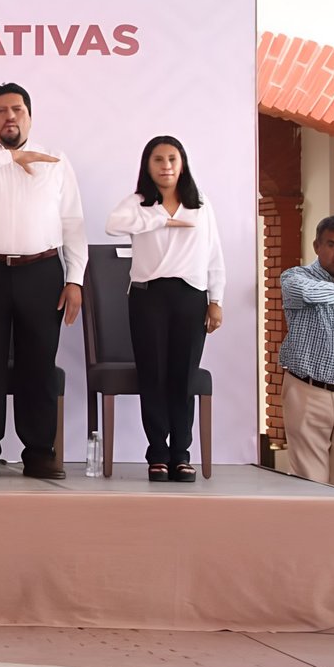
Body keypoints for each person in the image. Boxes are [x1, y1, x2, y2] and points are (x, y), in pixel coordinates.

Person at [0, 82, 86, 480]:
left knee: (38, 364)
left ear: (29, 115)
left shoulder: (56, 160)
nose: (10, 116)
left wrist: (74, 278)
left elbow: (73, 222)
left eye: (18, 109)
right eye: (1, 111)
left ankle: (40, 452)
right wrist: (13, 158)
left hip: (42, 272)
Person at [104, 136, 225, 483]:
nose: (166, 165)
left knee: (183, 375)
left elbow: (214, 255)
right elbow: (112, 225)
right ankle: (157, 452)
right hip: (147, 297)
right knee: (153, 373)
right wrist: (160, 222)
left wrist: (216, 300)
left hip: (190, 296)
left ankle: (181, 454)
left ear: (182, 163)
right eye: (158, 159)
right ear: (148, 165)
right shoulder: (139, 203)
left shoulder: (200, 205)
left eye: (173, 158)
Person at [278, 215, 334, 487]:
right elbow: (309, 294)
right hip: (307, 392)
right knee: (311, 485)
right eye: (332, 244)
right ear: (317, 246)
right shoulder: (294, 278)